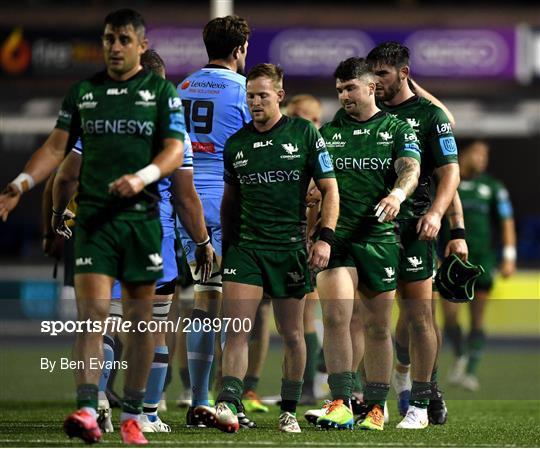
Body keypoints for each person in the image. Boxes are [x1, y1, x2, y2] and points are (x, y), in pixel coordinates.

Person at [28, 8, 188, 444]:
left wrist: (141, 178)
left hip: (142, 224)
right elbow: (61, 168)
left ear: (141, 45)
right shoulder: (85, 95)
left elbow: (175, 157)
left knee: (138, 324)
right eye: (108, 39)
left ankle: (134, 412)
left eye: (122, 39)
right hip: (97, 224)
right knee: (93, 319)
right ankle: (90, 407)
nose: (114, 47)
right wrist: (28, 190)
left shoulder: (161, 97)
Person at [52, 49, 214, 435]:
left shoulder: (98, 121)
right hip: (149, 235)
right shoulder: (173, 132)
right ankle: (145, 414)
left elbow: (65, 176)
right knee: (152, 329)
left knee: (97, 325)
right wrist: (203, 240)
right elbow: (185, 197)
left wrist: (59, 216)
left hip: (99, 234)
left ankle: (96, 404)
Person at [194, 63, 339, 434]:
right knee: (237, 328)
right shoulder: (237, 143)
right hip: (247, 249)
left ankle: (289, 408)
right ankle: (228, 401)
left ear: (279, 95)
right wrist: (225, 248)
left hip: (289, 249)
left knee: (292, 334)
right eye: (250, 96)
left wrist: (324, 237)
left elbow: (330, 190)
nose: (255, 102)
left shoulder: (305, 133)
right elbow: (229, 203)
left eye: (262, 95)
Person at [309, 57, 421, 432]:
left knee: (376, 326)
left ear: (371, 87)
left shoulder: (396, 128)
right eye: (339, 90)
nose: (343, 96)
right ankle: (340, 401)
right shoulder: (326, 132)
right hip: (336, 238)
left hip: (378, 238)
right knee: (337, 318)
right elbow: (315, 182)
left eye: (350, 88)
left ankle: (375, 408)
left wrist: (397, 195)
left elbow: (411, 169)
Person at [365, 42, 467, 428]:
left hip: (414, 225)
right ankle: (373, 399)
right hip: (370, 228)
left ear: (405, 74)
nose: (375, 82)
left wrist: (449, 223)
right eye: (371, 74)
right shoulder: (366, 111)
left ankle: (423, 391)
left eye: (384, 74)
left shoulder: (428, 116)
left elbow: (449, 176)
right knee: (370, 317)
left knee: (416, 316)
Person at [176, 15, 267, 426]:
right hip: (231, 204)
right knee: (236, 309)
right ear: (239, 50)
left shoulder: (182, 88)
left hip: (186, 203)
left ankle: (198, 400)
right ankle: (223, 401)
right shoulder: (244, 92)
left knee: (203, 301)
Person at [442, 139, 516, 391]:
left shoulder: (493, 187)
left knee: (477, 317)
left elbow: (506, 222)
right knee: (450, 317)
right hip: (452, 261)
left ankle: (470, 372)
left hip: (483, 260)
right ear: (463, 154)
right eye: (477, 154)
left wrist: (509, 256)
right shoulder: (448, 181)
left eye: (485, 156)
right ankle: (461, 354)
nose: (481, 160)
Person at [285, 94, 325, 405]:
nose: (296, 120)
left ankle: (314, 385)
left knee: (309, 314)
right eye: (293, 114)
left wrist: (313, 234)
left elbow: (326, 196)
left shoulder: (320, 150)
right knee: (298, 318)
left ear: (317, 122)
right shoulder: (287, 147)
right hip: (288, 240)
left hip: (315, 242)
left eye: (305, 117)